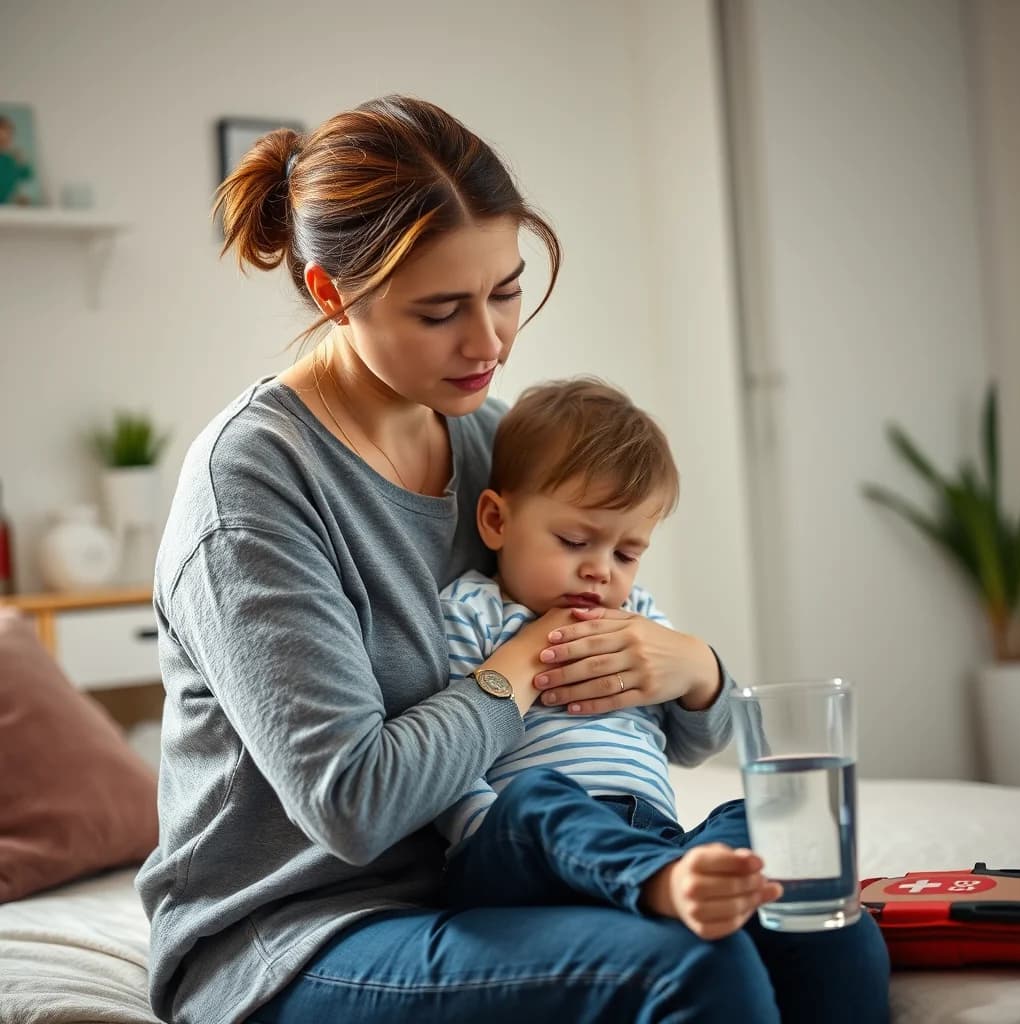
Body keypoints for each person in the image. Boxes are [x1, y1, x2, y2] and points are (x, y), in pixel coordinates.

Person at [136, 94, 890, 1024]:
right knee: (689, 970)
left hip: (493, 888)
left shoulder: (493, 438)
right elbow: (353, 806)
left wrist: (691, 666)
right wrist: (528, 658)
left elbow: (657, 717)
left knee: (826, 922)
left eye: (505, 292)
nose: (489, 341)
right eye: (441, 311)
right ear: (331, 294)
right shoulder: (251, 486)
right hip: (300, 931)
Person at [435, 377, 751, 925]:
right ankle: (657, 885)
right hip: (528, 842)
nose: (600, 570)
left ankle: (690, 888)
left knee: (757, 814)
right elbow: (445, 763)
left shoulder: (638, 617)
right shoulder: (469, 612)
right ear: (496, 521)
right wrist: (492, 831)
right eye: (575, 542)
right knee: (537, 798)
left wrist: (702, 674)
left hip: (651, 835)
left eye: (627, 554)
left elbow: (695, 744)